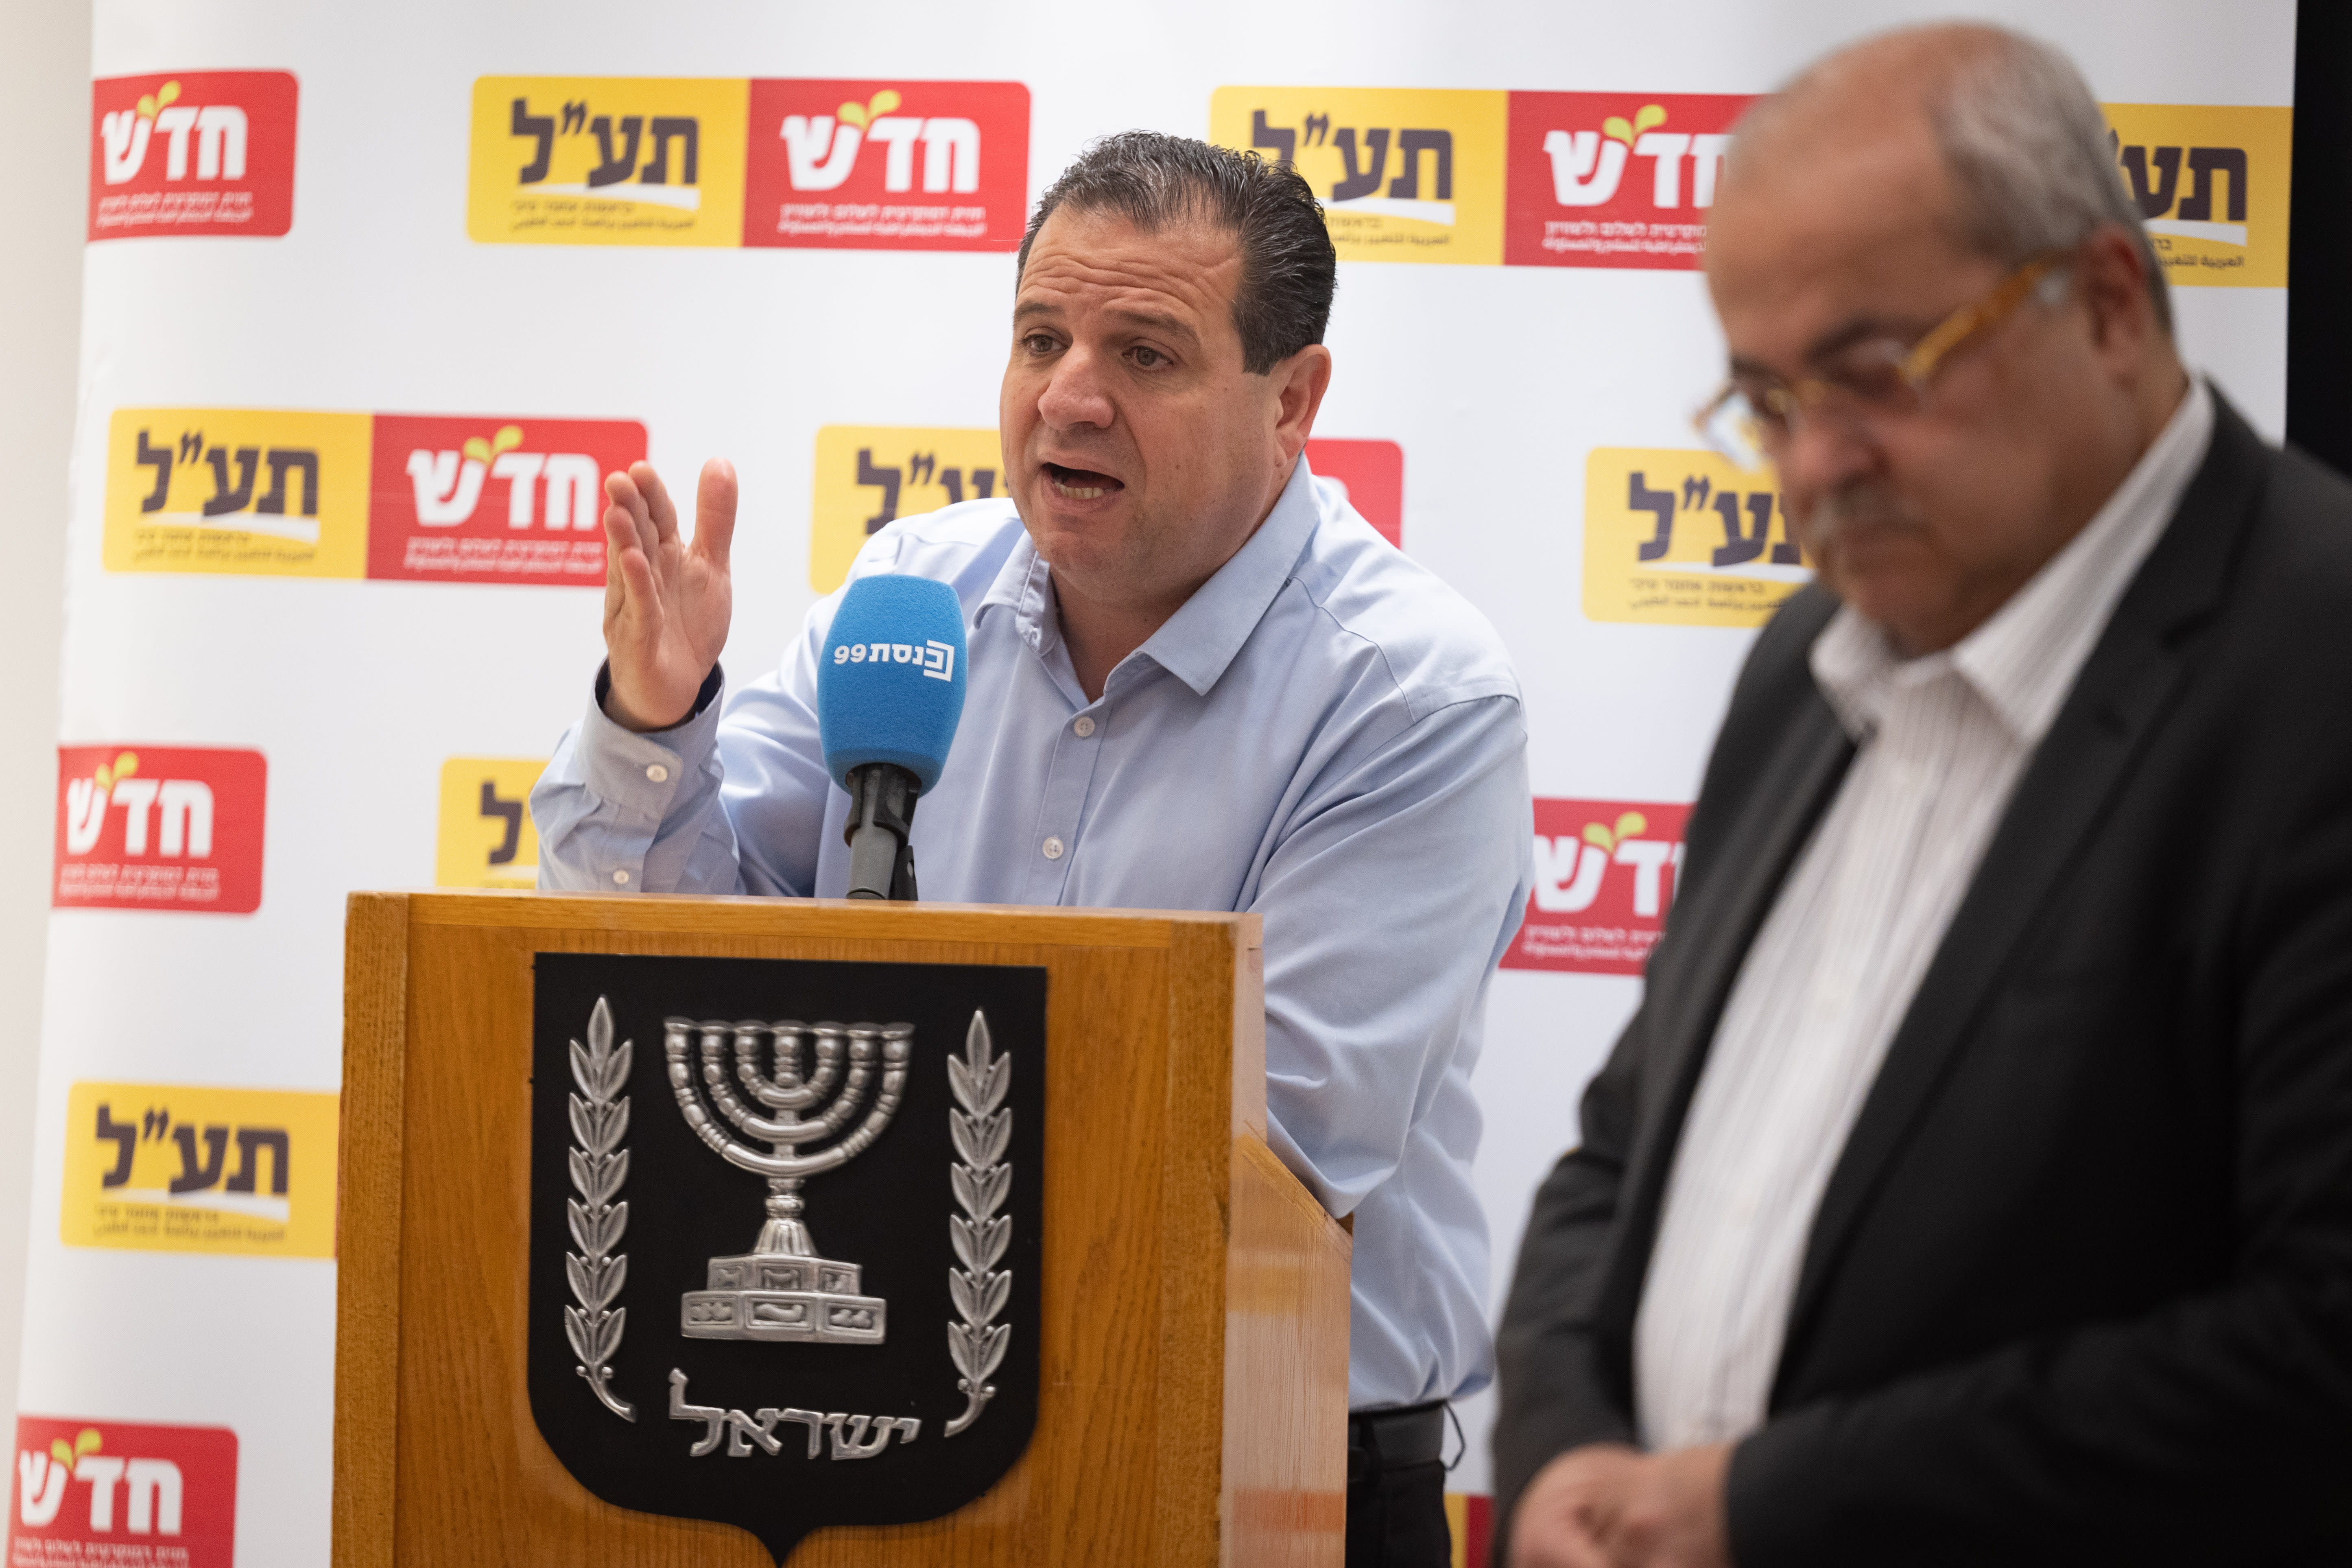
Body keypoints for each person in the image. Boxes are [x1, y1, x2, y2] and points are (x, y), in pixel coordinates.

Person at [532, 131, 1532, 1567]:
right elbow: (668, 974)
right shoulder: (904, 602)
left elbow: (1273, 1151)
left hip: (1260, 1475)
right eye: (1040, 337)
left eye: (1146, 352)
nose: (1070, 396)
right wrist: (655, 716)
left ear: (1294, 399)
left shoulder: (1411, 699)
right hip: (873, 1439)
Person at [1492, 23, 2352, 1568]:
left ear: (2102, 303)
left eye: (1877, 375)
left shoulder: (2317, 666)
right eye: (1764, 398)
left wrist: (1766, 1509)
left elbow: (2320, 1351)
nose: (1816, 464)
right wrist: (1563, 1454)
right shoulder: (1800, 669)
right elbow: (1623, 1155)